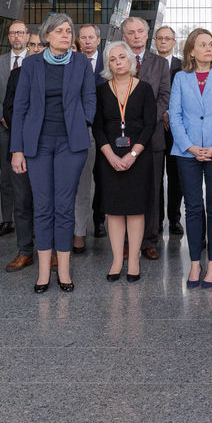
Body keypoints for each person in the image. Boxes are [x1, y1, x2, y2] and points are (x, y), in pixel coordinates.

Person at [10, 13, 97, 293]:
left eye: (68, 31)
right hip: (38, 144)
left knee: (64, 206)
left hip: (71, 144)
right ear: (47, 36)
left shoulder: (81, 62)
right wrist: (17, 149)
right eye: (59, 31)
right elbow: (20, 108)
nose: (65, 35)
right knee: (43, 206)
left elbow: (90, 98)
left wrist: (83, 122)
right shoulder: (31, 64)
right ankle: (43, 272)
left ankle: (65, 271)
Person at [170, 28, 212, 288]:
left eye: (211, 44)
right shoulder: (180, 78)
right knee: (193, 208)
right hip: (186, 152)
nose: (208, 48)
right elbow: (175, 116)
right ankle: (195, 263)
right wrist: (189, 146)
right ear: (191, 51)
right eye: (202, 45)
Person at [92, 41, 155, 282]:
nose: (118, 62)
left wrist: (132, 154)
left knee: (136, 209)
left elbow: (149, 125)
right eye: (112, 59)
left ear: (130, 60)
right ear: (108, 64)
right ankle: (117, 260)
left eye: (121, 57)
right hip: (109, 158)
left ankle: (134, 260)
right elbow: (97, 127)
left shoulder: (145, 88)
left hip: (138, 157)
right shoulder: (101, 91)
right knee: (114, 211)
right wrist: (110, 155)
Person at [123, 17, 171, 260]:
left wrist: (147, 120)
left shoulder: (160, 63)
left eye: (140, 31)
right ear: (124, 36)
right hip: (124, 138)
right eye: (131, 32)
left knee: (152, 189)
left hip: (153, 136)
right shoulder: (118, 59)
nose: (136, 36)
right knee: (126, 189)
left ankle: (149, 241)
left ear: (147, 33)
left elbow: (165, 96)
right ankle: (125, 241)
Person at [0, 20, 29, 244]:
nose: (16, 36)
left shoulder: (35, 62)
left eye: (20, 33)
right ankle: (7, 220)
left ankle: (28, 218)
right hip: (3, 126)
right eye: (13, 33)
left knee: (27, 174)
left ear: (27, 36)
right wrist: (2, 116)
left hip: (28, 128)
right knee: (6, 175)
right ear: (8, 37)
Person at [0, 44, 37, 272]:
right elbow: (9, 109)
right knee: (22, 202)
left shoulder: (59, 73)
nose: (36, 49)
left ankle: (51, 250)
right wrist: (27, 132)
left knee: (48, 203)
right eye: (33, 45)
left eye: (41, 44)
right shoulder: (17, 74)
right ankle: (25, 251)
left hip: (49, 148)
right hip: (21, 147)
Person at [74, 23, 106, 250]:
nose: (86, 41)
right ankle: (79, 229)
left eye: (90, 37)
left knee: (102, 180)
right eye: (83, 38)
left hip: (103, 128)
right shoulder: (72, 62)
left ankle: (99, 220)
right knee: (81, 183)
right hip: (79, 128)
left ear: (98, 40)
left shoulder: (108, 62)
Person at [155, 25, 184, 238]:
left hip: (177, 130)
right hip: (155, 127)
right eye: (160, 38)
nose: (163, 41)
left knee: (176, 177)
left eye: (168, 38)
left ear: (174, 42)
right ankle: (156, 220)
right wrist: (161, 113)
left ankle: (174, 219)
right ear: (155, 41)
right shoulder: (148, 64)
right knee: (155, 177)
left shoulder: (183, 67)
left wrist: (170, 114)